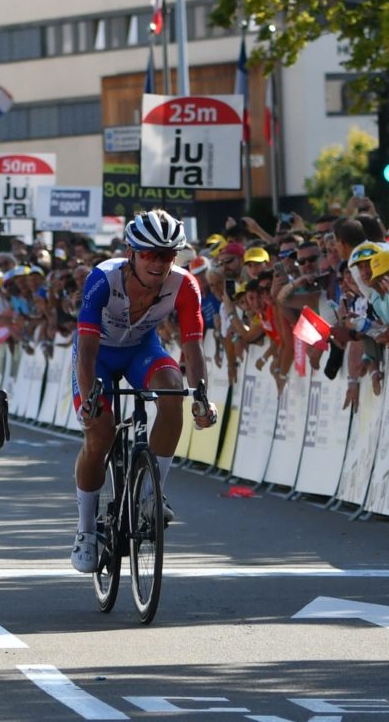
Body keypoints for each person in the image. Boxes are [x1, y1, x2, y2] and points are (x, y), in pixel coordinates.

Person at [70, 209, 218, 573]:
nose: (158, 263)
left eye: (166, 255)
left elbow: (193, 347)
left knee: (173, 391)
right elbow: (87, 349)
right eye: (150, 254)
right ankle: (86, 530)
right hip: (98, 355)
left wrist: (200, 396)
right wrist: (90, 399)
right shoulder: (102, 279)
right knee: (99, 435)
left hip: (141, 350)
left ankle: (151, 497)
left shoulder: (184, 285)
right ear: (131, 252)